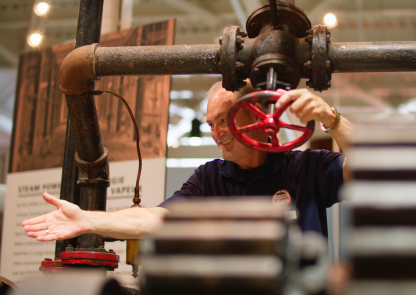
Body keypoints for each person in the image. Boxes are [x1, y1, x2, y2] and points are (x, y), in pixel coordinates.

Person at [22, 82, 353, 241]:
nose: (216, 133)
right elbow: (157, 219)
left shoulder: (306, 168)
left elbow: (369, 166)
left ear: (256, 114)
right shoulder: (210, 178)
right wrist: (87, 220)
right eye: (211, 124)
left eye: (225, 119)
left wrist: (332, 119)